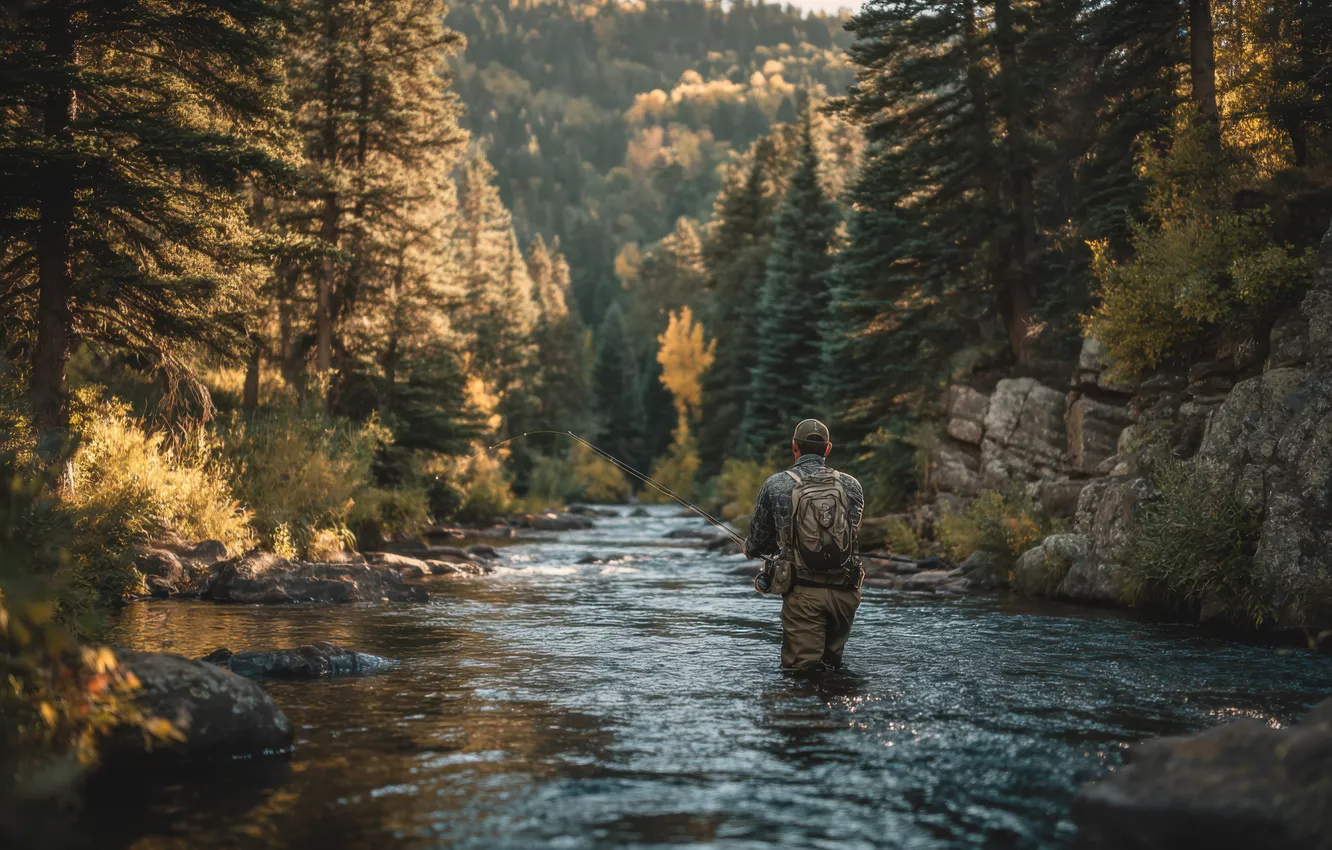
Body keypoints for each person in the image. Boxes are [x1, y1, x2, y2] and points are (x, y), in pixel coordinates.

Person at [743, 419, 864, 672]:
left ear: (794, 446)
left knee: (802, 674)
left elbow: (758, 540)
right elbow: (850, 533)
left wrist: (749, 548)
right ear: (827, 449)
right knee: (833, 669)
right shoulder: (852, 486)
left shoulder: (776, 485)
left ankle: (804, 712)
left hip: (803, 592)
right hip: (846, 592)